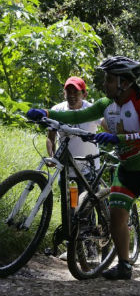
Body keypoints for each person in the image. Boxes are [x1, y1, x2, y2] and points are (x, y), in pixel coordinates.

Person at [27, 56, 140, 283]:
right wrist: (47, 113)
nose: (105, 84)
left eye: (109, 80)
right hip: (127, 168)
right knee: (117, 214)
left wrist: (116, 138)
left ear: (124, 83)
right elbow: (76, 115)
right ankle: (123, 264)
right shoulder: (105, 105)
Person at [46, 77, 101, 260]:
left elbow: (108, 127)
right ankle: (73, 248)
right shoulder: (57, 110)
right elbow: (50, 137)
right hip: (68, 170)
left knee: (86, 208)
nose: (71, 95)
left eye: (76, 92)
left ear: (84, 93)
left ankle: (91, 250)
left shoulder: (91, 110)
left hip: (88, 169)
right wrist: (52, 156)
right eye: (68, 91)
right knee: (71, 207)